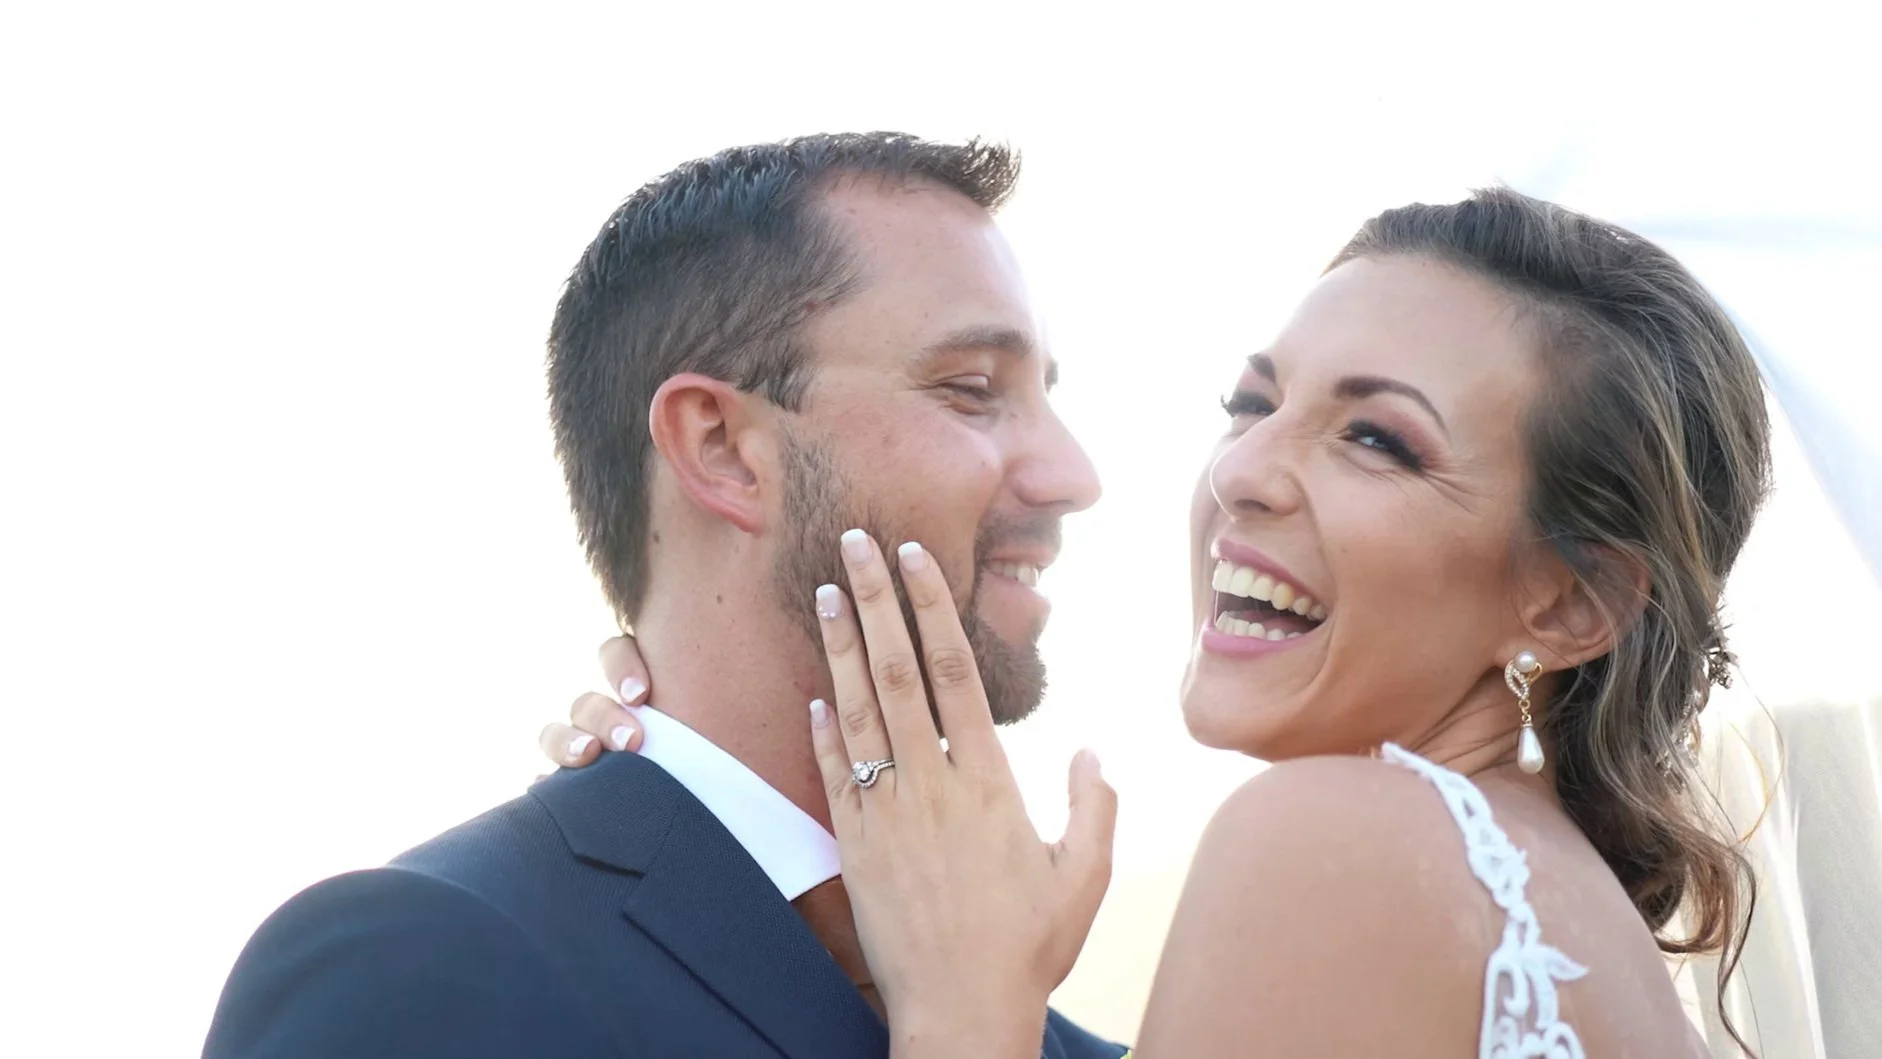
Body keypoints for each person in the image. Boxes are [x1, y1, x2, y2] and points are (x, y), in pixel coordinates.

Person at [547, 188, 1773, 1056]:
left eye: (1375, 438)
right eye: (1252, 403)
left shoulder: (1336, 841)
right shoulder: (1554, 909)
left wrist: (965, 1018)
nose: (1242, 471)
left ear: (1570, 600)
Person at [203, 133, 1125, 1059]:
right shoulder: (409, 967)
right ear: (720, 448)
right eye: (972, 389)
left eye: (1044, 397)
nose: (1073, 475)